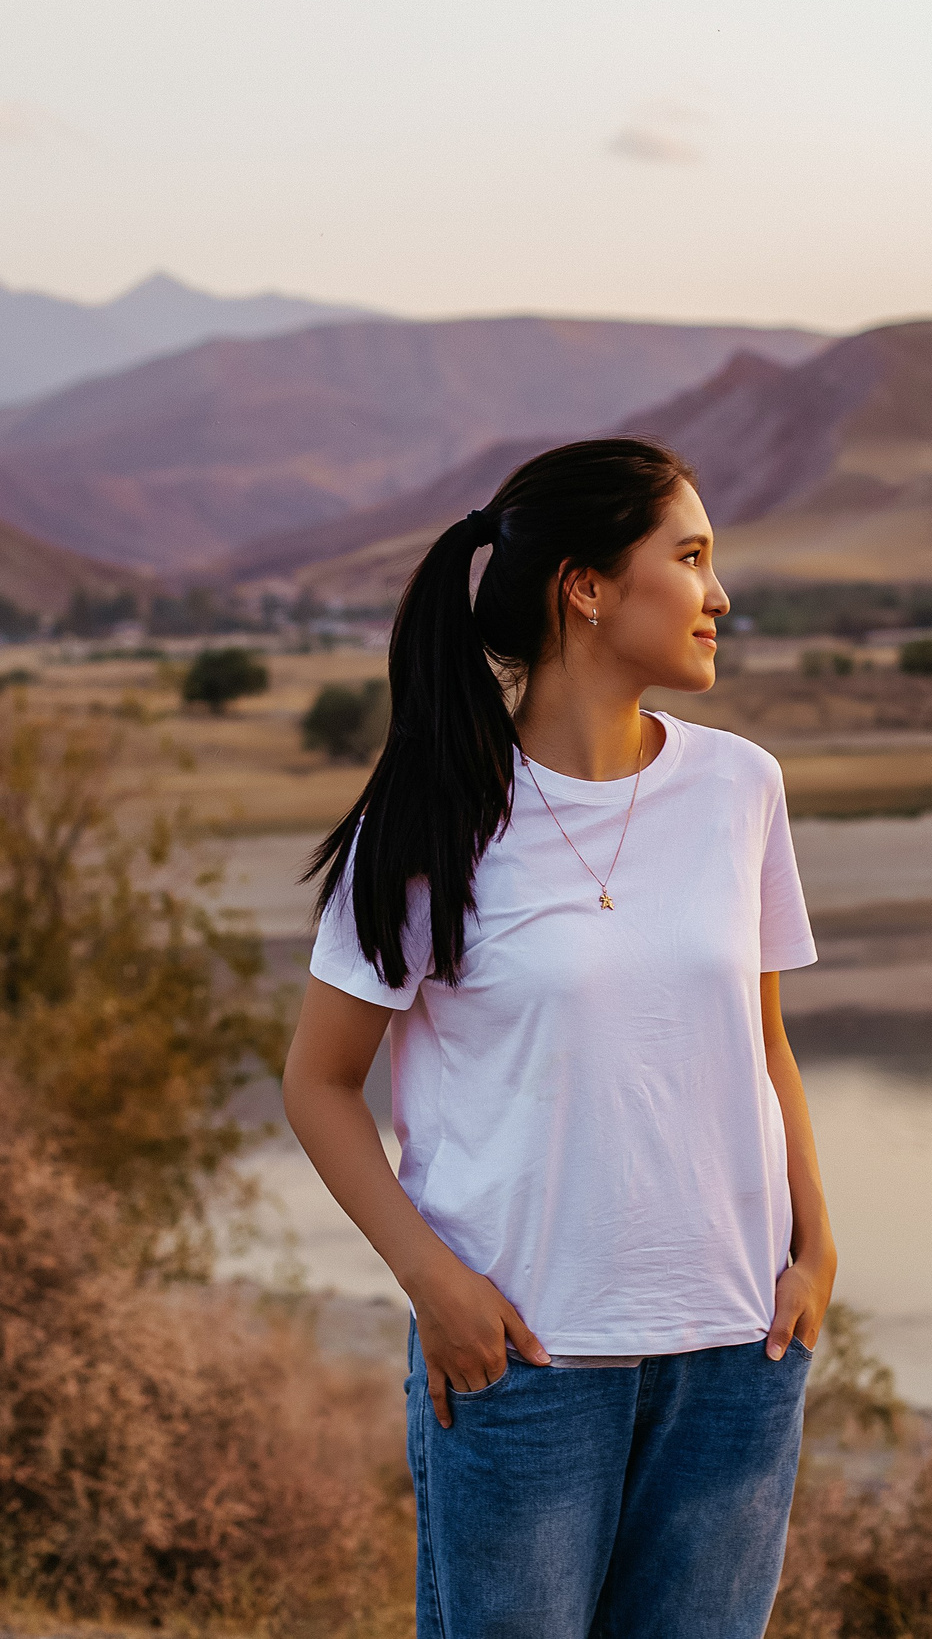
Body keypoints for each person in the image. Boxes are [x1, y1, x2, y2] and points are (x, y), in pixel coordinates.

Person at [283, 436, 834, 1639]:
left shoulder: (741, 788)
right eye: (688, 558)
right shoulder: (432, 820)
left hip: (737, 1350)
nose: (719, 596)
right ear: (585, 587)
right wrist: (434, 1285)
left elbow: (764, 1045)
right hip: (522, 1353)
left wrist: (817, 1248)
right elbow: (320, 1084)